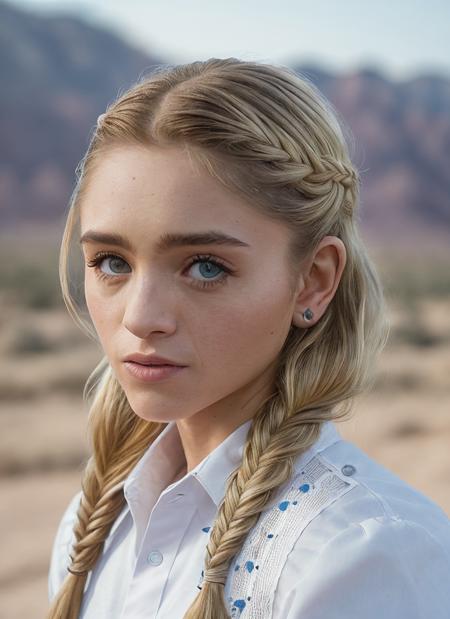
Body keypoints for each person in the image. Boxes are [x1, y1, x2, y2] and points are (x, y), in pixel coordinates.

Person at [47, 58, 450, 619]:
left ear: (313, 281)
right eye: (111, 262)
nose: (141, 317)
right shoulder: (90, 530)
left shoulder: (371, 556)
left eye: (205, 267)